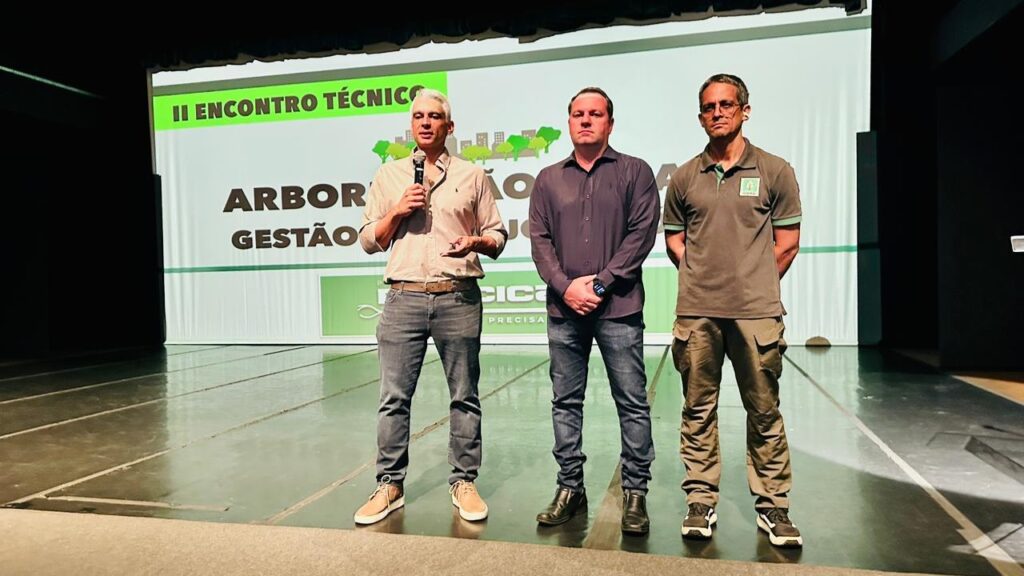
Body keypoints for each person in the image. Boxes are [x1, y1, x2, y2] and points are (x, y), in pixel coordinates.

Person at [353, 88, 507, 525]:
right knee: (393, 398)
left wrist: (478, 241)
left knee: (465, 395)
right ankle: (389, 484)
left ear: (449, 127)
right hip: (403, 296)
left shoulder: (473, 175)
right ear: (411, 124)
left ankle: (463, 481)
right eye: (418, 116)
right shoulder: (389, 175)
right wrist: (398, 210)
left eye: (434, 116)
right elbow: (369, 240)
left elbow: (497, 236)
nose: (425, 123)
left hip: (457, 295)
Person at [663, 73, 803, 547]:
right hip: (697, 313)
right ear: (700, 116)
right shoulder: (684, 177)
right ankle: (700, 501)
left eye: (726, 105)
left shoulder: (775, 171)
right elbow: (675, 240)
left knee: (764, 411)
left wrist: (751, 283)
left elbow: (787, 243)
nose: (717, 113)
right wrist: (705, 277)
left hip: (756, 314)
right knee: (697, 410)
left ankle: (774, 508)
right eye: (708, 107)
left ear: (745, 109)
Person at [529, 87, 660, 535]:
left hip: (619, 309)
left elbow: (641, 235)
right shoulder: (548, 179)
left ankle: (636, 493)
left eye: (596, 114)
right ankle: (570, 487)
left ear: (610, 122)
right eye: (578, 114)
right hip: (565, 312)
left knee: (632, 403)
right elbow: (540, 242)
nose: (586, 121)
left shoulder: (635, 172)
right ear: (569, 122)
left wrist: (601, 283)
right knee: (565, 403)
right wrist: (567, 288)